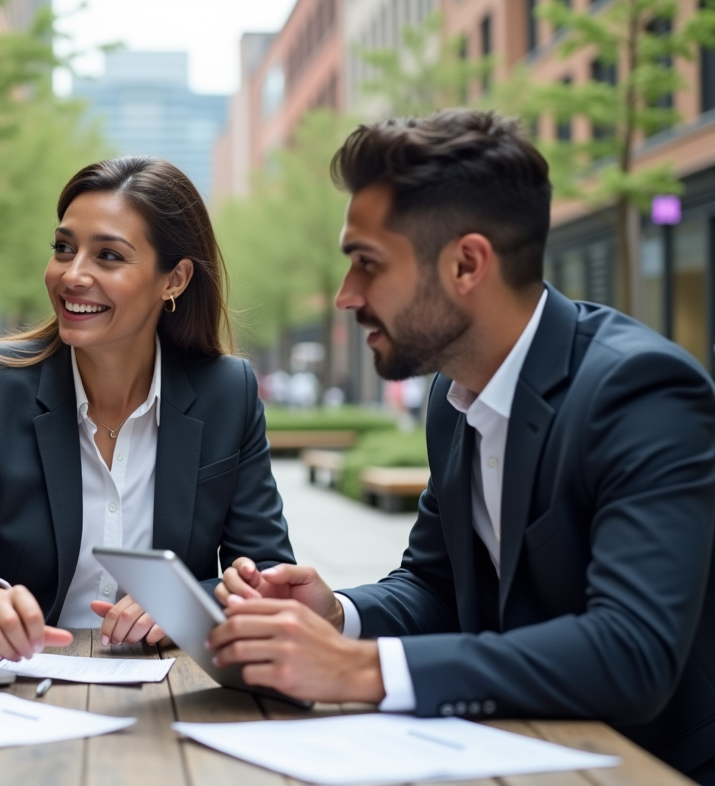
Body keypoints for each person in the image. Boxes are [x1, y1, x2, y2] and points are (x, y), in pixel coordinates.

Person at [208, 109, 715, 784]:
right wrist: (339, 614)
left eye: (367, 263)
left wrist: (359, 669)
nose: (344, 295)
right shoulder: (456, 402)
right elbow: (437, 585)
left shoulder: (641, 392)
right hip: (513, 753)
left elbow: (632, 652)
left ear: (467, 264)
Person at [0, 156, 296, 662]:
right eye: (63, 248)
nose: (72, 275)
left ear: (175, 280)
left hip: (173, 689)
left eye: (108, 256)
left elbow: (268, 577)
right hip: (16, 687)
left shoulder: (227, 393)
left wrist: (187, 605)